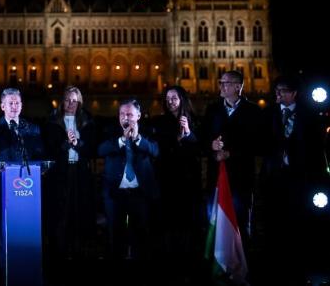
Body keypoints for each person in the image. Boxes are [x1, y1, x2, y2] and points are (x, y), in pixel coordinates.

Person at [0, 88, 44, 277]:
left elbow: (40, 156)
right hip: (1, 188)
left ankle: (27, 268)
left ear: (22, 105)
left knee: (25, 229)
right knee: (0, 230)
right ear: (2, 106)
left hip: (28, 191)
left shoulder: (33, 129)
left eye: (17, 103)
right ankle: (2, 269)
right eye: (10, 103)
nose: (14, 106)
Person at [261, 75, 319, 284]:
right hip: (274, 178)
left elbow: (315, 148)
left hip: (299, 178)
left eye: (282, 90)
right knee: (274, 222)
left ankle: (299, 266)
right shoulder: (269, 114)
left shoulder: (309, 116)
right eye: (276, 90)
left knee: (298, 221)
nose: (277, 94)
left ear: (294, 93)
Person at [203, 70, 263, 243]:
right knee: (215, 223)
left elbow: (257, 143)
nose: (221, 85)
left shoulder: (253, 111)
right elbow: (203, 137)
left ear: (238, 86)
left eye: (225, 83)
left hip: (241, 179)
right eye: (220, 82)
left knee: (240, 223)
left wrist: (231, 153)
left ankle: (241, 265)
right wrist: (211, 145)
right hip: (216, 178)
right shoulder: (212, 109)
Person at [98, 99, 159, 261]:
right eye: (122, 114)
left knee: (141, 235)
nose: (125, 118)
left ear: (138, 115)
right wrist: (122, 140)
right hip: (115, 193)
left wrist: (138, 138)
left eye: (130, 114)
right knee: (115, 235)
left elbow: (155, 150)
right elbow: (101, 149)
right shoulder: (109, 130)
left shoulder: (149, 130)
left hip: (140, 193)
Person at [150, 86, 200, 278]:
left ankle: (187, 262)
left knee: (187, 221)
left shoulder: (194, 120)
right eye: (168, 98)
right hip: (167, 178)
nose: (170, 101)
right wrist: (176, 140)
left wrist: (187, 133)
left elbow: (198, 147)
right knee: (168, 221)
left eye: (174, 97)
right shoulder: (159, 121)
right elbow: (159, 148)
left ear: (182, 99)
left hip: (188, 180)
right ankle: (169, 263)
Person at [44, 86, 96, 261]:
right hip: (60, 173)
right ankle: (58, 253)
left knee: (79, 210)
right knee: (60, 212)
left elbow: (91, 148)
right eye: (67, 100)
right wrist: (66, 144)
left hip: (80, 172)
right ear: (62, 101)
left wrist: (77, 144)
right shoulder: (52, 121)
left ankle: (79, 251)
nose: (71, 104)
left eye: (75, 100)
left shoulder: (87, 120)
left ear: (80, 102)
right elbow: (49, 148)